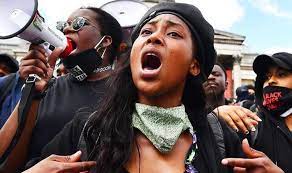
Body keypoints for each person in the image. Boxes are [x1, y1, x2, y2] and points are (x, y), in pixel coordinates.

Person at [25, 2, 244, 173]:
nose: (154, 37)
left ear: (194, 65)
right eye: (146, 32)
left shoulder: (220, 139)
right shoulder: (88, 131)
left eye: (173, 33)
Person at [14, 6, 123, 167]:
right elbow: (13, 151)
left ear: (106, 41)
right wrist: (30, 93)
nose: (66, 29)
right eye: (62, 25)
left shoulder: (124, 91)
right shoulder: (47, 87)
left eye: (78, 23)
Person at [222, 52, 291, 172]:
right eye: (266, 77)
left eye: (281, 74)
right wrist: (215, 118)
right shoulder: (251, 125)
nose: (271, 81)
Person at [203, 62, 260, 134]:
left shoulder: (242, 114)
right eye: (206, 74)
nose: (210, 77)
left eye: (216, 74)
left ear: (226, 84)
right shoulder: (189, 115)